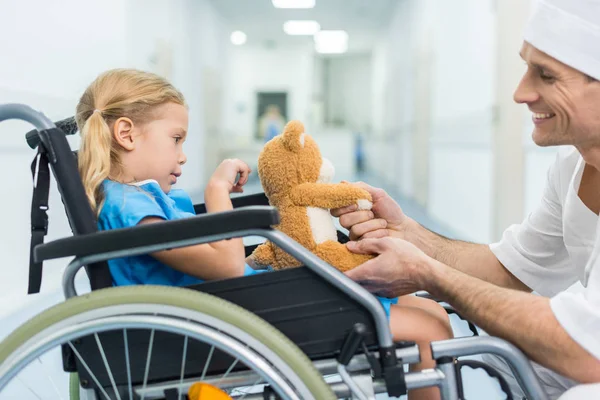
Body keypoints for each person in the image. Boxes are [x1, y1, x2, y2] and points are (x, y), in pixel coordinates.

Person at [76, 68, 453, 400]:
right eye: (176, 139)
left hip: (250, 305)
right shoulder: (130, 208)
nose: (183, 155)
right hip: (242, 317)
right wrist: (217, 192)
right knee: (428, 329)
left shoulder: (145, 199)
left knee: (431, 311)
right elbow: (227, 265)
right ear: (126, 133)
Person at [333, 0, 600, 398]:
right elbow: (509, 269)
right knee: (505, 350)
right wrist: (407, 234)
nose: (520, 92)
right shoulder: (572, 166)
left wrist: (429, 274)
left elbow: (588, 353)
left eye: (545, 75)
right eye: (526, 67)